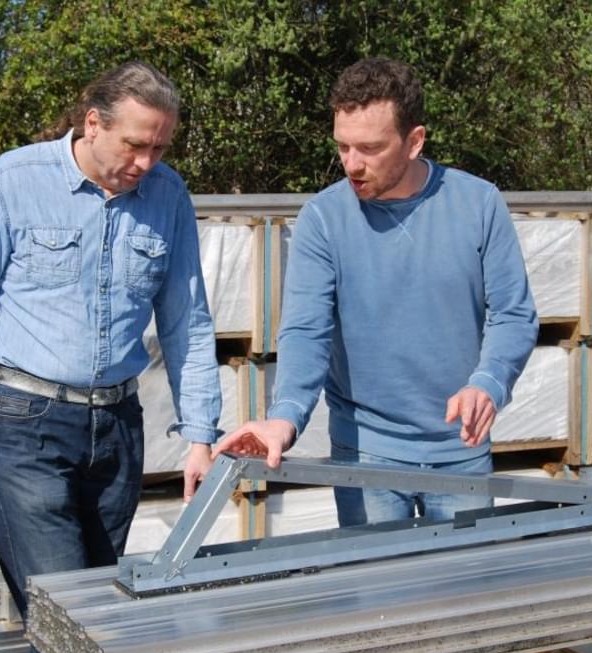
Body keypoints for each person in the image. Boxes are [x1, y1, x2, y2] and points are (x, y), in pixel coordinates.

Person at [0, 61, 221, 653]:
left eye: (160, 148)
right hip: (22, 427)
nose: (146, 162)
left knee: (100, 613)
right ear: (93, 123)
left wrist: (201, 437)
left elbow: (188, 323)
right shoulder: (11, 183)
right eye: (135, 145)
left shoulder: (168, 196)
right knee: (64, 614)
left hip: (117, 430)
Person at [213, 57, 537, 528]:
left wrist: (488, 382)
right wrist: (285, 417)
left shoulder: (479, 204)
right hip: (364, 454)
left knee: (465, 575)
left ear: (414, 141)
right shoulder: (323, 219)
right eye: (342, 146)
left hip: (460, 450)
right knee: (373, 578)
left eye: (369, 148)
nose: (352, 164)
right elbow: (305, 331)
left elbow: (513, 314)